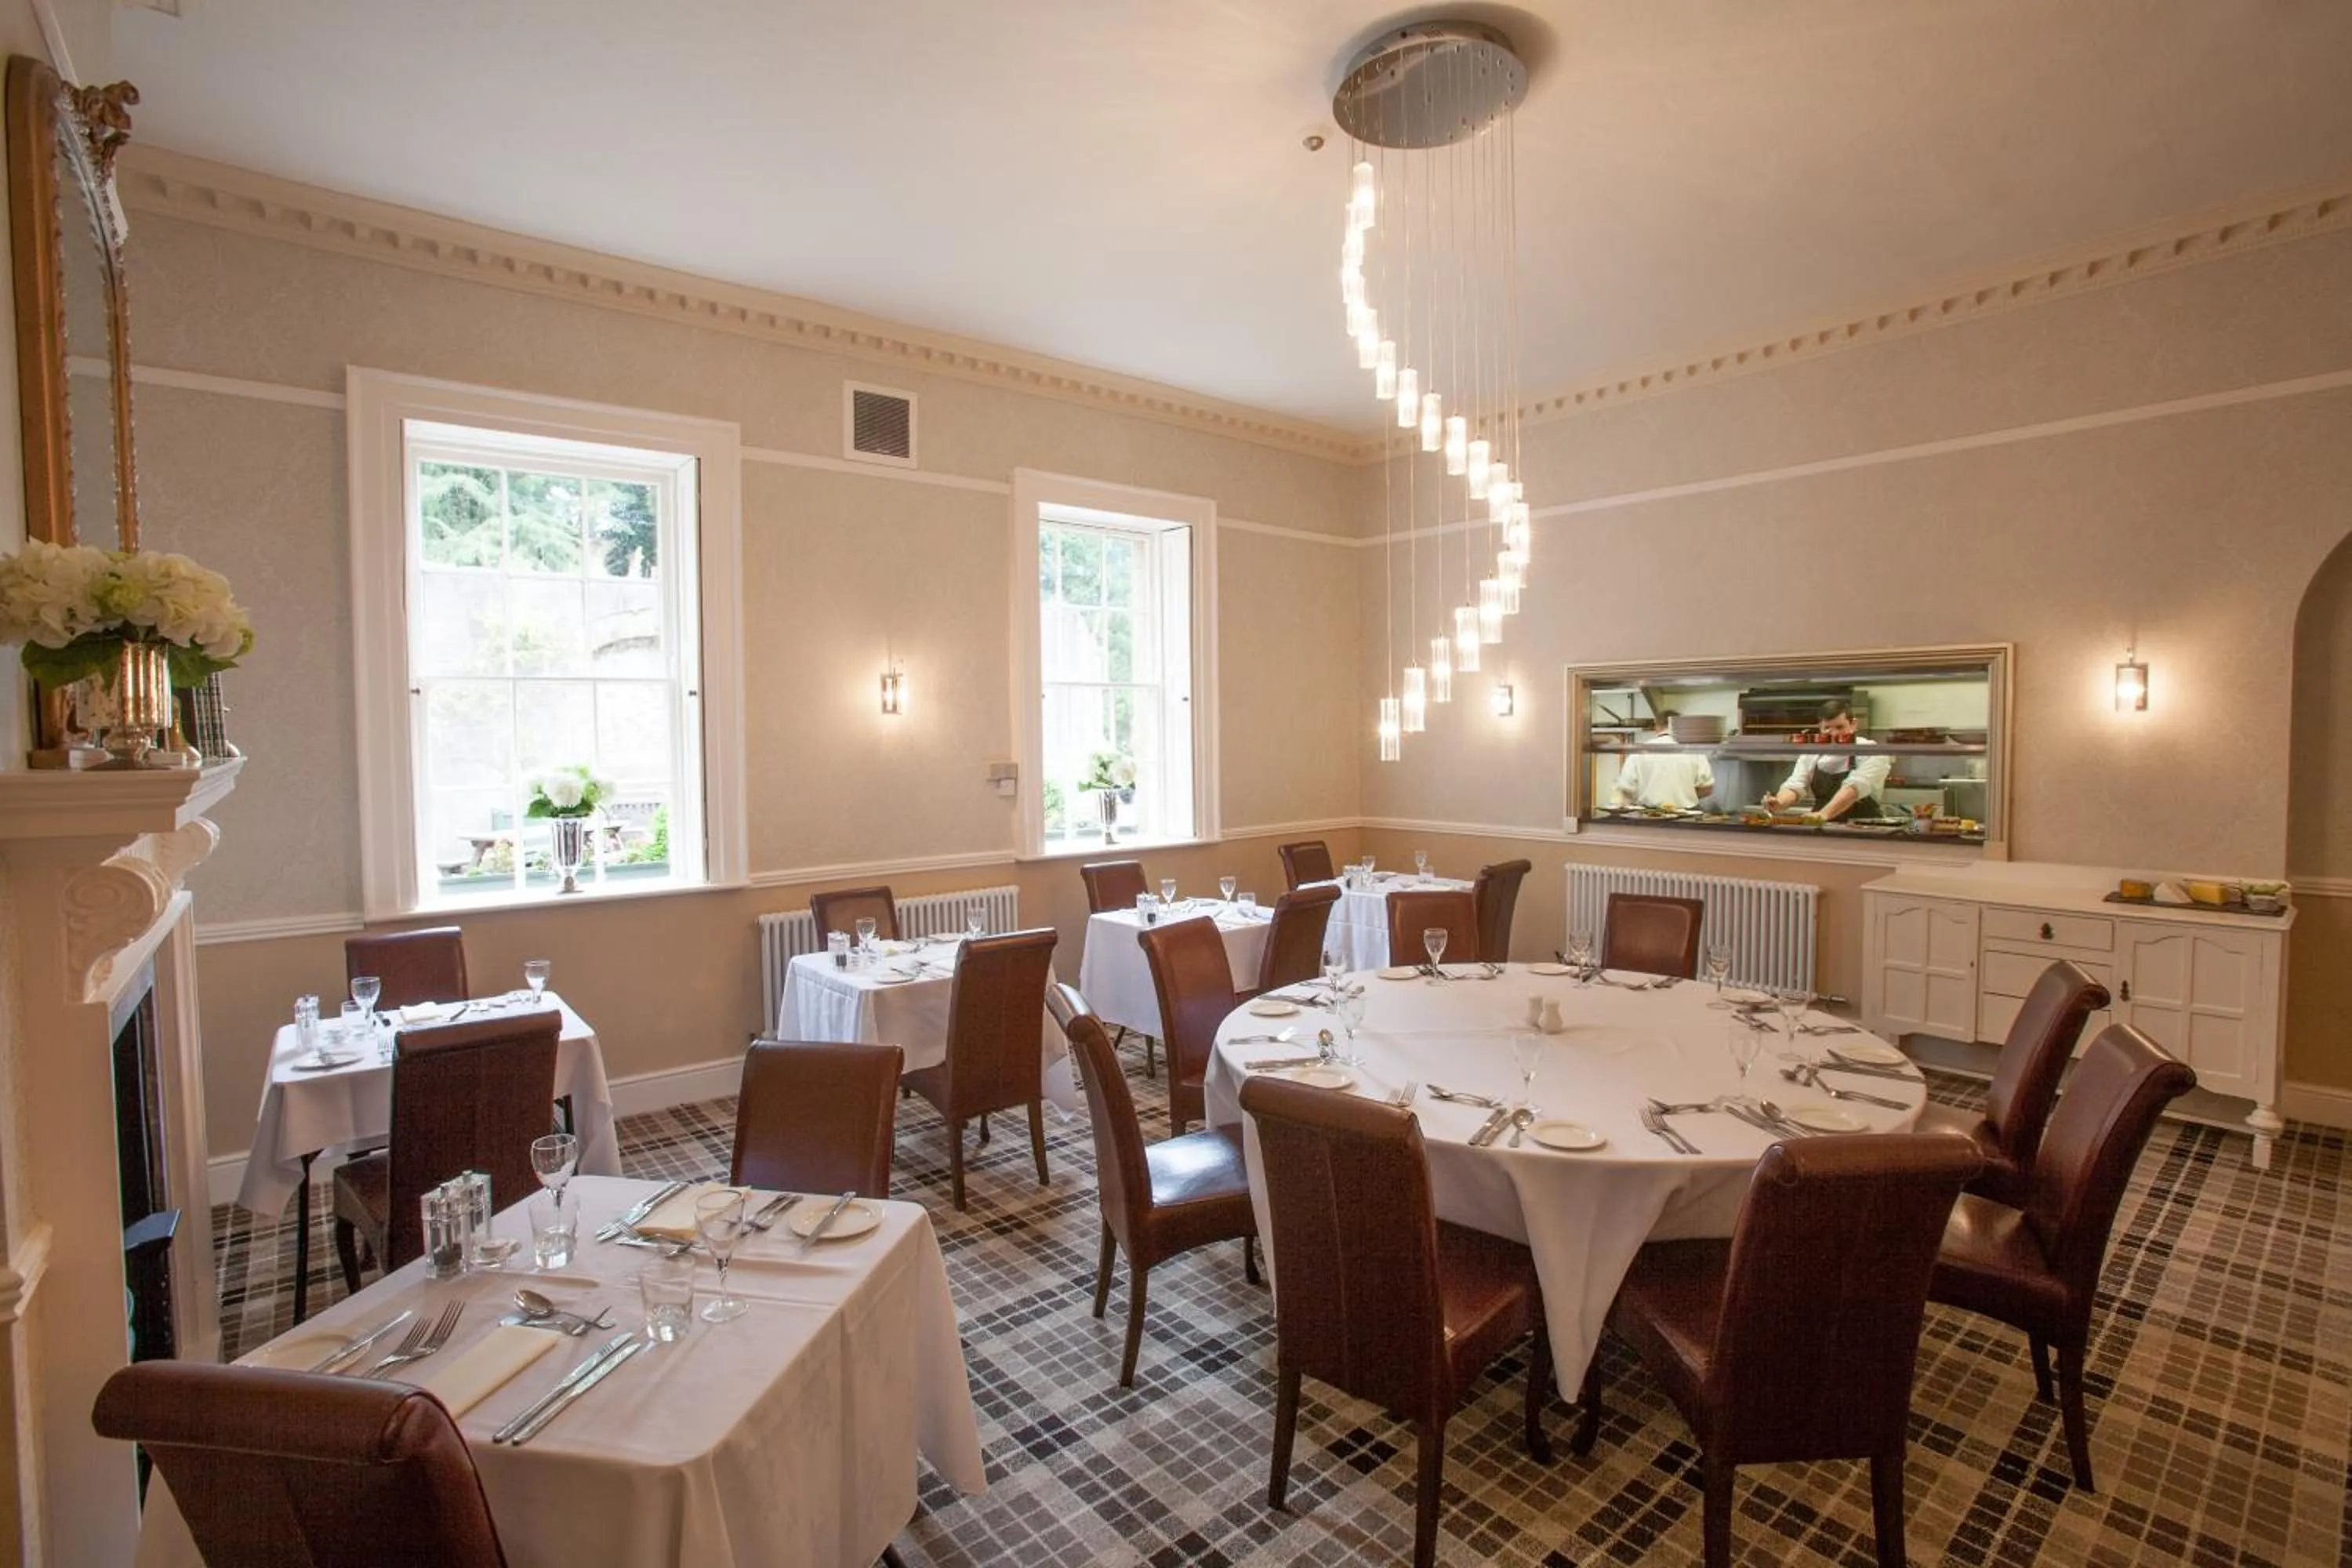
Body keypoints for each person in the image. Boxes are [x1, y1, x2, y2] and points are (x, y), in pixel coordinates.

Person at [1765, 698, 1889, 821]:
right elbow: (1796, 784)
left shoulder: (1871, 751)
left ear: (1853, 724)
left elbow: (1855, 787)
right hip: (1822, 826)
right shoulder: (1813, 753)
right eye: (1827, 728)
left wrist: (1824, 814)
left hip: (1863, 828)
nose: (1834, 734)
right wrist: (1780, 802)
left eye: (1840, 727)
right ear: (1820, 727)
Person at [1610, 720, 1715, 810]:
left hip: (1649, 816)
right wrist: (1685, 795)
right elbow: (1707, 789)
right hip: (1687, 816)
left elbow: (1625, 789)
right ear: (1681, 725)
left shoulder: (1640, 750)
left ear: (1657, 726)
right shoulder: (1693, 749)